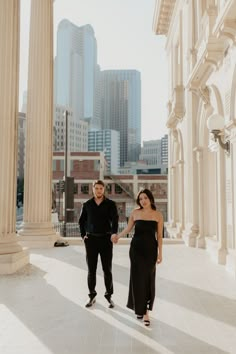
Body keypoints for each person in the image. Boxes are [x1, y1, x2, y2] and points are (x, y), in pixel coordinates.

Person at [111, 189, 163, 326]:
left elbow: (159, 236)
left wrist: (160, 253)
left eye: (145, 198)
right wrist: (117, 237)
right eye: (140, 199)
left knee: (148, 280)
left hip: (151, 251)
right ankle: (140, 309)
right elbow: (128, 229)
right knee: (137, 280)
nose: (143, 201)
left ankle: (146, 311)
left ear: (150, 198)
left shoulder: (158, 215)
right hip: (136, 251)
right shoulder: (135, 213)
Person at [79, 179, 119, 308]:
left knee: (107, 269)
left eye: (101, 188)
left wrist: (114, 233)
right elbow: (81, 221)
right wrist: (83, 235)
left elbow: (115, 220)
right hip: (91, 240)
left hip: (106, 240)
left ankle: (109, 296)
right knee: (91, 270)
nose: (99, 190)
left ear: (104, 189)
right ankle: (91, 296)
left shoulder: (110, 204)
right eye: (96, 188)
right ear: (93, 189)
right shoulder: (87, 204)